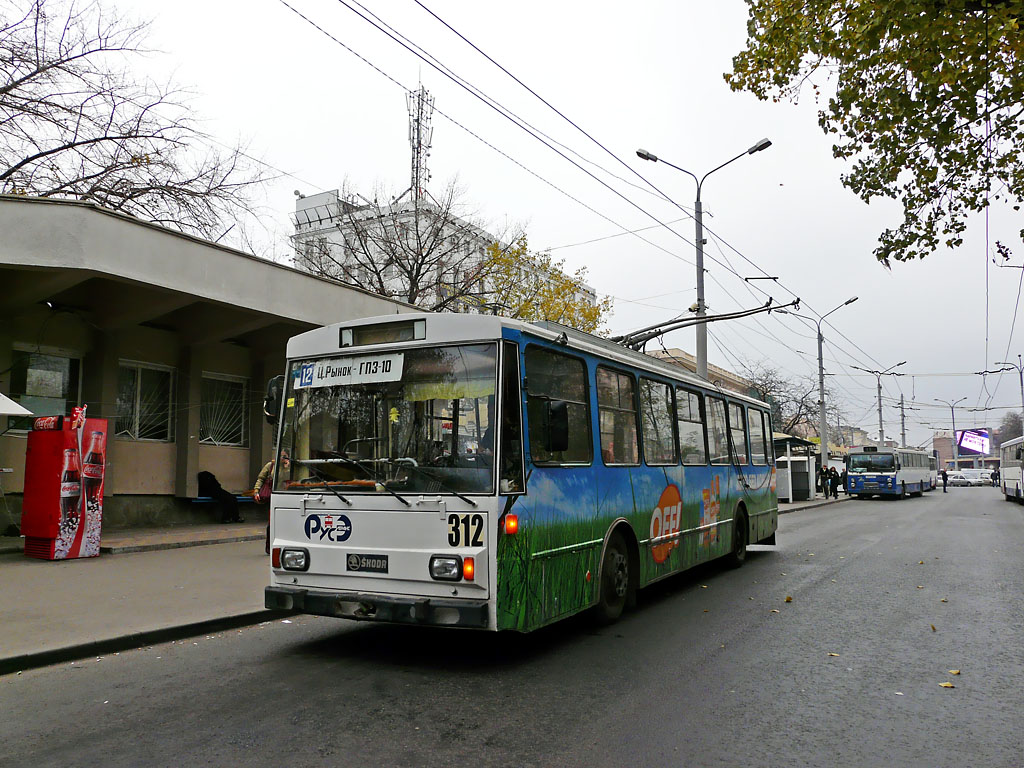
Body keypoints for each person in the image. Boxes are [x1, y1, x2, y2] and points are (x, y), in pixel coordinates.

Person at [254, 450, 290, 554]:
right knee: (272, 522)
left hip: (286, 497)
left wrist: (287, 468)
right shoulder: (271, 465)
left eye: (285, 456)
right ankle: (269, 546)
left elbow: (289, 480)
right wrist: (256, 491)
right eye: (281, 455)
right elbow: (261, 478)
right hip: (273, 497)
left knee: (285, 522)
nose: (282, 458)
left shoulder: (290, 468)